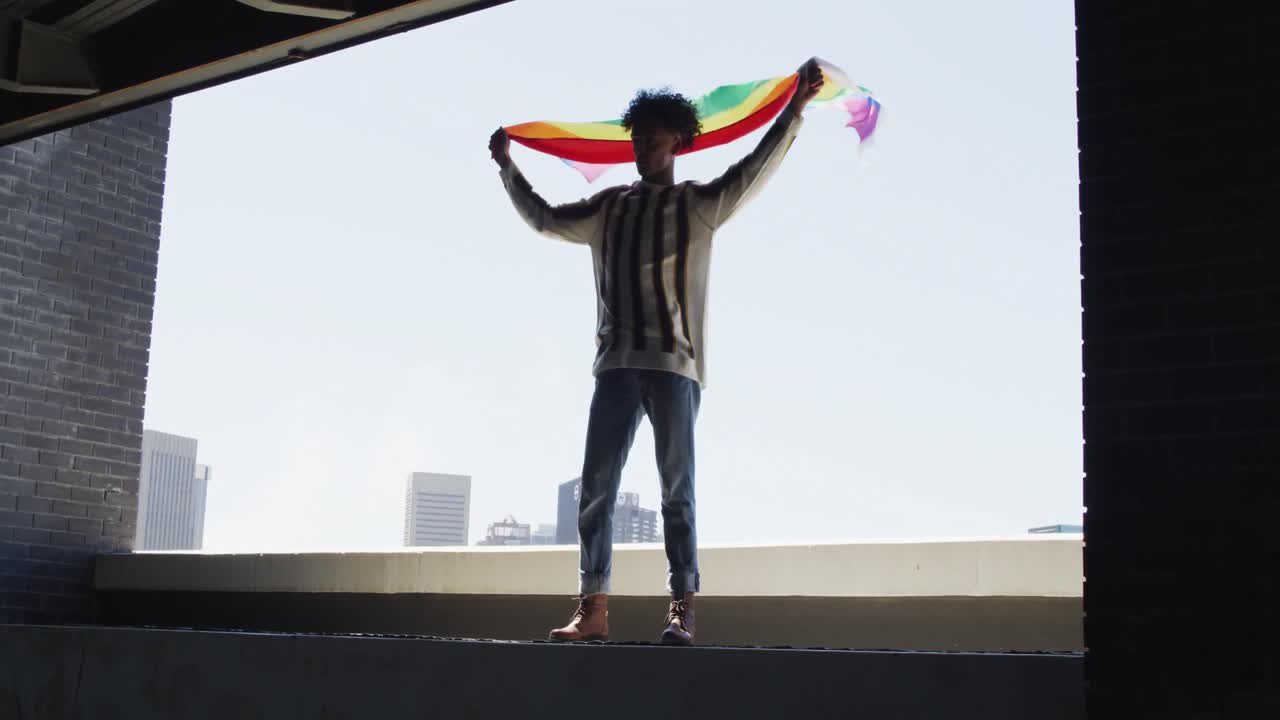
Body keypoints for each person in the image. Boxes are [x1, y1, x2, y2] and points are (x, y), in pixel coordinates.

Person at [489, 58, 824, 645]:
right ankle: (593, 609)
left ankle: (683, 609)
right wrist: (507, 169)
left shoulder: (698, 204)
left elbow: (752, 172)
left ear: (678, 140)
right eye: (638, 137)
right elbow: (543, 219)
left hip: (675, 367)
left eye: (654, 137)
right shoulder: (610, 207)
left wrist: (794, 110)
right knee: (596, 485)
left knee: (678, 489)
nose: (643, 145)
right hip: (615, 364)